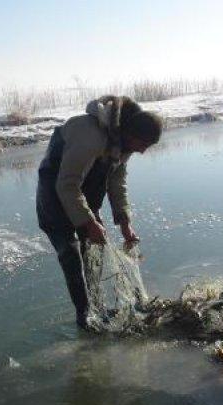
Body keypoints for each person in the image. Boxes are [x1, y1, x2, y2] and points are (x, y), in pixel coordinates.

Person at [36, 95, 163, 330]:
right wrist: (88, 221)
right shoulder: (90, 136)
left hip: (85, 193)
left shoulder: (123, 141)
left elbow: (117, 180)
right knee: (71, 254)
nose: (143, 151)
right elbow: (66, 184)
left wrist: (124, 221)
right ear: (130, 134)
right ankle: (85, 317)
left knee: (92, 252)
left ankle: (96, 306)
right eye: (143, 144)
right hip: (55, 193)